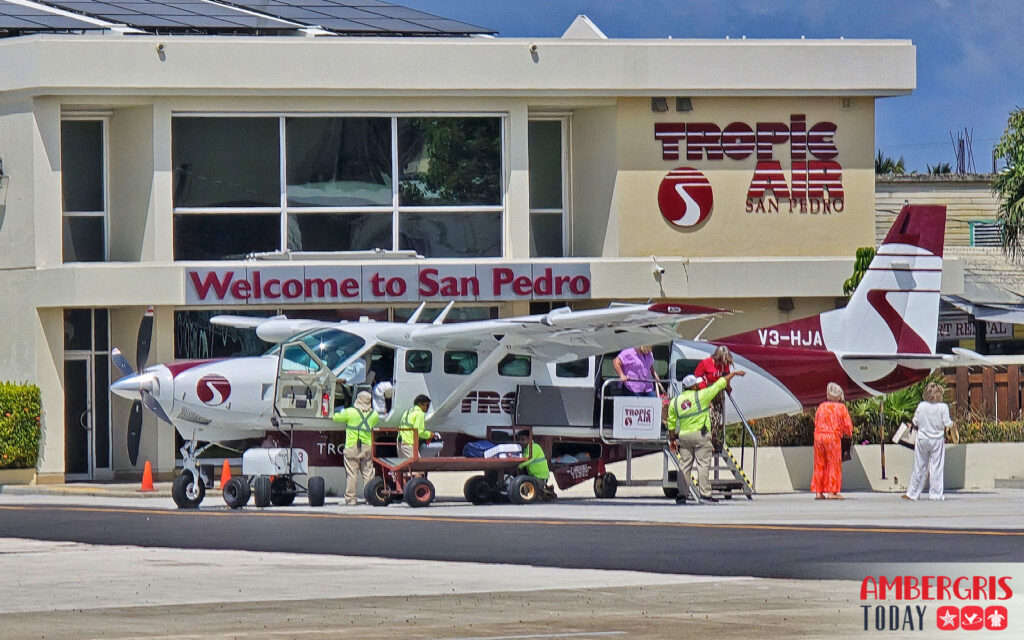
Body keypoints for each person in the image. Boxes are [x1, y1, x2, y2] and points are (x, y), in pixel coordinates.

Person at [667, 370, 745, 503]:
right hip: (700, 436)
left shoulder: (675, 401)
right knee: (703, 464)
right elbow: (719, 384)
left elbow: (671, 423)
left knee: (684, 466)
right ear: (693, 387)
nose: (698, 385)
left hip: (684, 437)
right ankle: (705, 494)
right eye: (696, 384)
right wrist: (734, 373)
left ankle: (682, 495)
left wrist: (673, 439)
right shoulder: (701, 396)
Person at [903, 382, 953, 501]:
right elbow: (948, 423)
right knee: (936, 467)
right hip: (937, 439)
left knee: (919, 466)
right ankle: (935, 494)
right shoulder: (943, 407)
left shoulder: (921, 406)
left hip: (922, 439)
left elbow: (915, 421)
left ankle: (912, 493)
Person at [332, 391, 378, 506]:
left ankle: (350, 499)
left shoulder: (350, 412)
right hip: (367, 447)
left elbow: (335, 418)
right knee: (368, 473)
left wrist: (340, 410)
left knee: (352, 473)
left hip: (352, 446)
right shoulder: (374, 415)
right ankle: (369, 498)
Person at [812, 382, 854, 500]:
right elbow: (848, 427)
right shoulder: (841, 408)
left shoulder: (821, 406)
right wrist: (848, 434)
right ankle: (832, 492)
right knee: (833, 464)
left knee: (819, 464)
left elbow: (816, 422)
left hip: (819, 437)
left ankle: (818, 492)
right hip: (833, 438)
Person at [695, 345, 733, 454]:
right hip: (707, 391)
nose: (723, 364)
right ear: (717, 357)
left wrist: (728, 386)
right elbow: (697, 378)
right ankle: (707, 441)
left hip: (719, 393)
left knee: (717, 417)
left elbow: (726, 376)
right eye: (721, 361)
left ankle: (713, 439)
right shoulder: (705, 363)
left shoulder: (724, 365)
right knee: (712, 416)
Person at [516, 430, 556, 501]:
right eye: (519, 440)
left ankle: (544, 492)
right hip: (534, 476)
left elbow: (527, 460)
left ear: (529, 439)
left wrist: (516, 466)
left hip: (539, 477)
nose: (521, 442)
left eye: (523, 439)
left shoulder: (534, 447)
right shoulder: (527, 448)